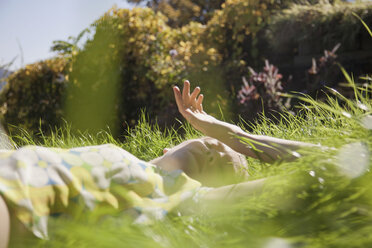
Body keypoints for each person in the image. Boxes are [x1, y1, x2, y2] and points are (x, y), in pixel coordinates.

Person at [0, 80, 315, 248]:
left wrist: (233, 135)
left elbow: (321, 167)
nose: (219, 152)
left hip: (21, 204)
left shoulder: (179, 196)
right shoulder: (137, 162)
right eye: (212, 146)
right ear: (170, 146)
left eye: (221, 167)